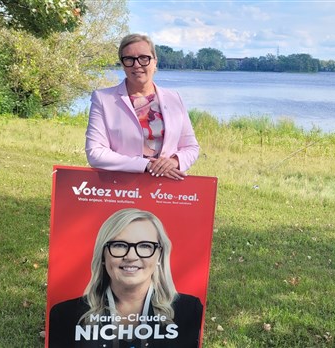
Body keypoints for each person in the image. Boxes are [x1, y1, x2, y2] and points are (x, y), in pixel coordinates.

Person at [49, 209, 203, 348]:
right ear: (103, 255)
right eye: (120, 245)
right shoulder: (65, 315)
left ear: (159, 256)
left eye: (144, 246)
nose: (130, 256)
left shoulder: (189, 311)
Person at [85, 34, 199, 180]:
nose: (137, 64)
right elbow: (95, 153)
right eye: (129, 59)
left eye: (144, 58)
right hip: (121, 188)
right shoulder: (103, 99)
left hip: (167, 190)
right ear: (122, 64)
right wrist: (144, 165)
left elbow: (191, 147)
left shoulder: (174, 99)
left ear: (154, 62)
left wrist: (174, 161)